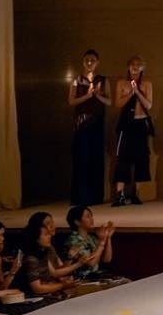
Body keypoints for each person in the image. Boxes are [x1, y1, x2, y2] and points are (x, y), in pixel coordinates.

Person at [69, 49, 110, 206]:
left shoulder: (103, 80)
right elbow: (71, 101)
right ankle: (80, 197)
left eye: (92, 60)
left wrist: (97, 94)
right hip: (81, 124)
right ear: (83, 62)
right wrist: (87, 95)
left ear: (97, 62)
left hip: (97, 123)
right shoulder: (76, 80)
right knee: (82, 158)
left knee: (96, 159)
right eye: (87, 60)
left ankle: (95, 197)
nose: (89, 63)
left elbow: (109, 101)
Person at [112, 56, 154, 206]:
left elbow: (148, 105)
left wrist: (138, 92)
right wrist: (131, 92)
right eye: (132, 64)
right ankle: (120, 194)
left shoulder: (147, 84)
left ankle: (136, 193)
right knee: (122, 158)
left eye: (138, 65)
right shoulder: (122, 83)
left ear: (142, 68)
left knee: (141, 159)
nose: (135, 67)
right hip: (126, 124)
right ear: (128, 67)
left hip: (141, 123)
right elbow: (118, 103)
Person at [64, 206, 119, 282]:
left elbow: (107, 259)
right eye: (88, 216)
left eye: (91, 216)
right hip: (82, 279)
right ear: (77, 222)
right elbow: (91, 263)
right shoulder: (73, 240)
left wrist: (108, 238)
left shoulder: (91, 238)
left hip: (96, 277)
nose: (92, 219)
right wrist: (102, 241)